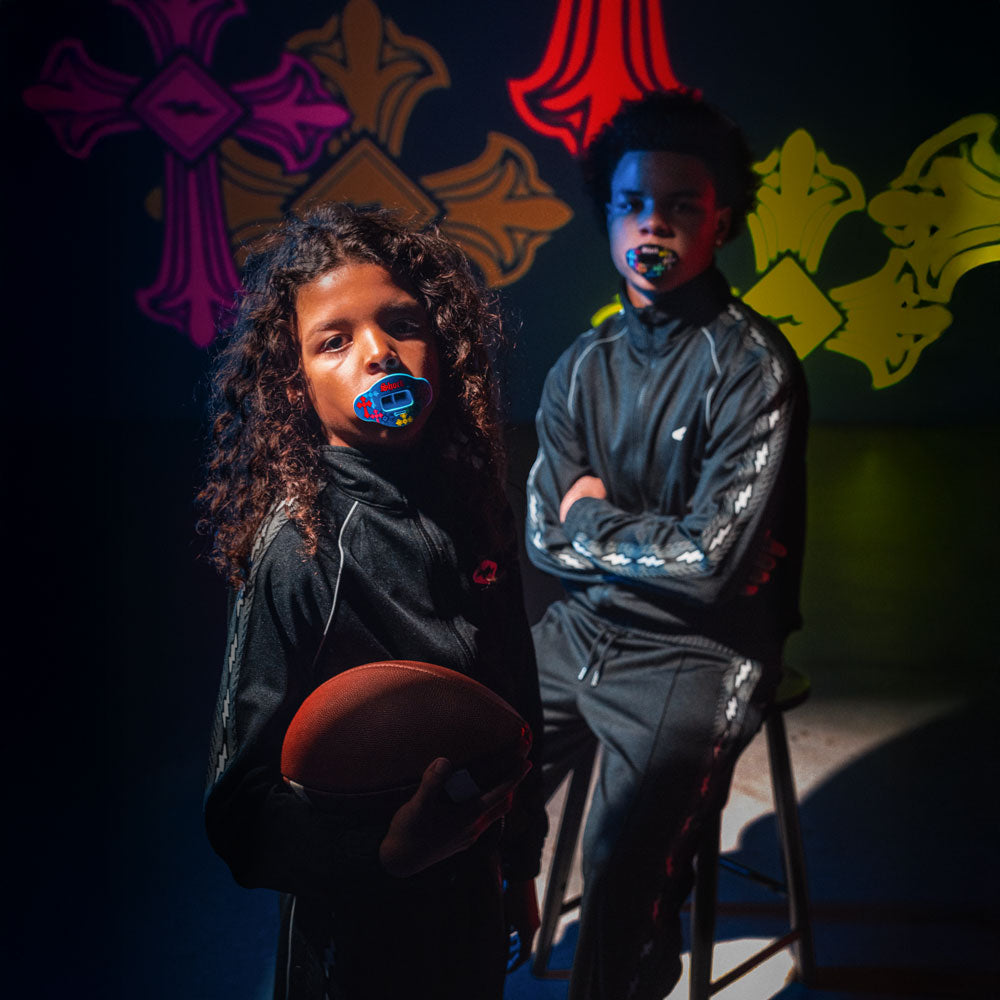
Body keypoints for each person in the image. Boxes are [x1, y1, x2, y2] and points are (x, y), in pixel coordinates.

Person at [199, 203, 545, 1000]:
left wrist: (519, 861)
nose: (380, 353)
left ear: (443, 346)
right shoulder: (300, 551)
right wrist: (386, 852)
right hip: (353, 942)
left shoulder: (475, 507)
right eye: (335, 340)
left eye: (403, 325)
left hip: (470, 906)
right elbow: (240, 812)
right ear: (294, 383)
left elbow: (515, 701)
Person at [525, 90, 809, 999]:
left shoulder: (755, 370)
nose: (653, 225)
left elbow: (711, 570)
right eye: (633, 203)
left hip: (703, 653)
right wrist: (661, 548)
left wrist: (592, 520)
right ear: (608, 215)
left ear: (720, 221)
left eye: (681, 205)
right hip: (583, 630)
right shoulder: (579, 368)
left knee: (621, 871)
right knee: (456, 770)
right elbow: (540, 536)